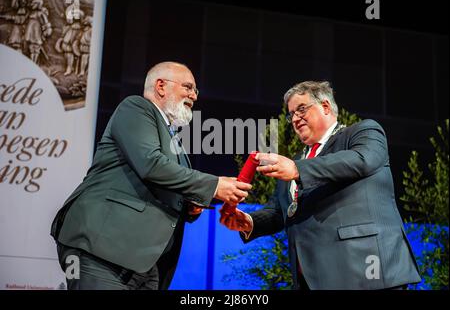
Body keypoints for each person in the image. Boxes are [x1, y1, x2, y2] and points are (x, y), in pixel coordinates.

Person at [51, 61, 252, 290]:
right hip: (101, 250)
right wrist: (215, 185)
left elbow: (163, 182)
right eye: (188, 87)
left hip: (145, 264)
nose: (193, 96)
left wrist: (188, 205)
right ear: (161, 86)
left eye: (195, 90)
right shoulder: (136, 107)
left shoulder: (173, 139)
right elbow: (151, 164)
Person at [220, 81, 421, 290]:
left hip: (367, 269)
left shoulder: (364, 132)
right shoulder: (296, 161)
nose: (295, 118)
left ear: (325, 107)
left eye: (301, 109)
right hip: (312, 278)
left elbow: (362, 160)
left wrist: (298, 170)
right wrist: (249, 222)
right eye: (291, 114)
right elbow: (280, 210)